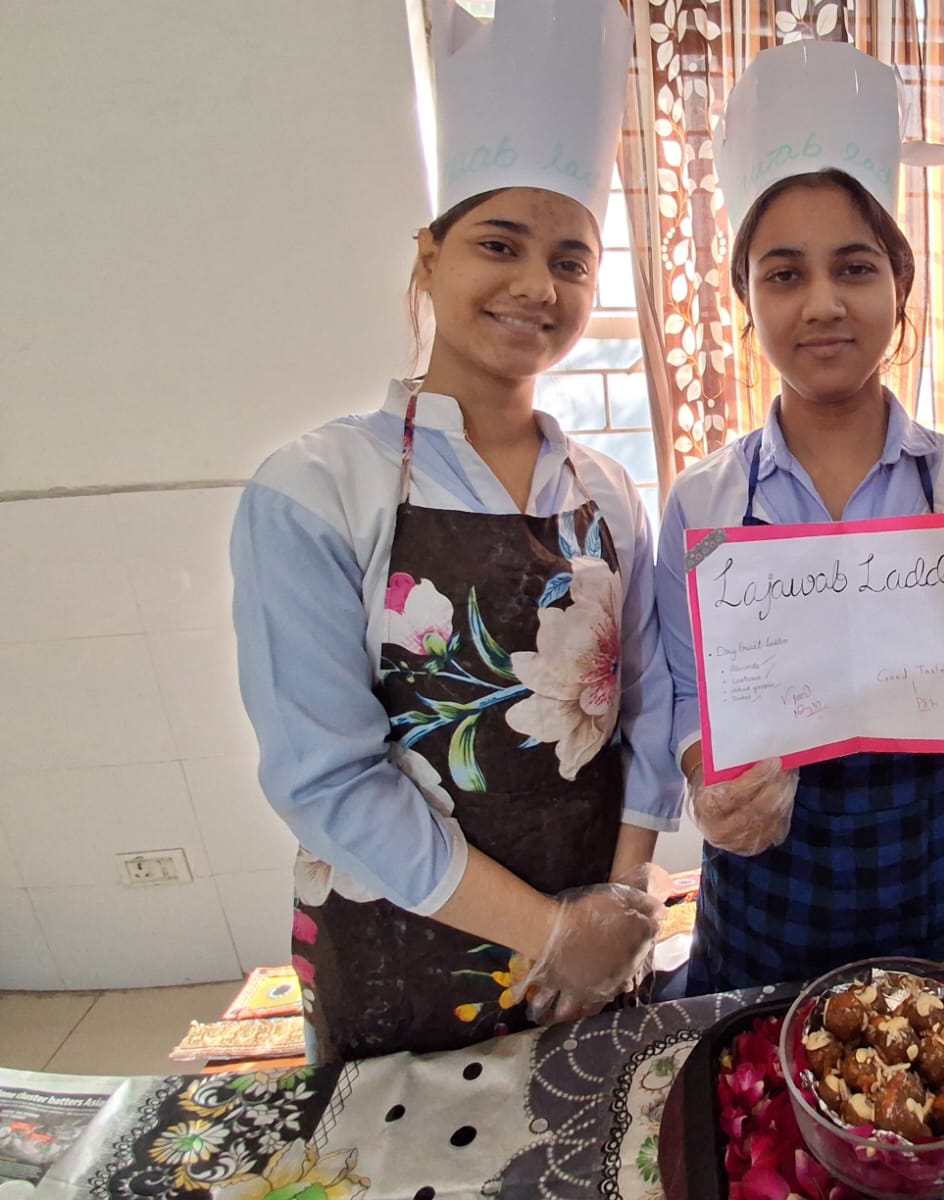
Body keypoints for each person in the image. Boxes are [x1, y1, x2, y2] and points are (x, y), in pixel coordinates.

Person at [230, 0, 675, 1064]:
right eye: (498, 245)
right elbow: (327, 780)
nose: (536, 286)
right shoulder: (313, 490)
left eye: (571, 260)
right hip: (402, 958)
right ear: (427, 259)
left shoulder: (609, 493)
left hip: (595, 948)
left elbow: (650, 707)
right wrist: (551, 933)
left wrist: (617, 905)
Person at [654, 41, 944, 995]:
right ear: (745, 297)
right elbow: (694, 702)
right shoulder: (702, 506)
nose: (823, 304)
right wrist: (711, 783)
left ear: (900, 285)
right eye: (784, 274)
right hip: (771, 893)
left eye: (854, 268)